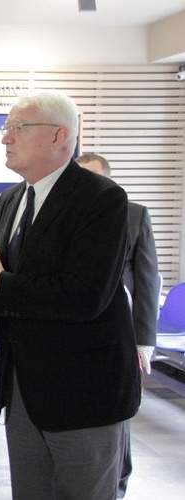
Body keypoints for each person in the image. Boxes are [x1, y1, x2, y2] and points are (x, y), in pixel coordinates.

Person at [0, 90, 141, 499]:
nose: (5, 138)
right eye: (7, 128)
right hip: (22, 388)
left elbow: (84, 296)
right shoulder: (10, 200)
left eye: (16, 128)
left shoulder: (101, 199)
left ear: (58, 136)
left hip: (85, 394)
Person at [76, 152, 158, 499]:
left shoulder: (134, 214)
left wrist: (143, 343)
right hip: (75, 336)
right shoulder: (64, 215)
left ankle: (117, 486)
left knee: (117, 418)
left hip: (121, 337)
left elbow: (147, 280)